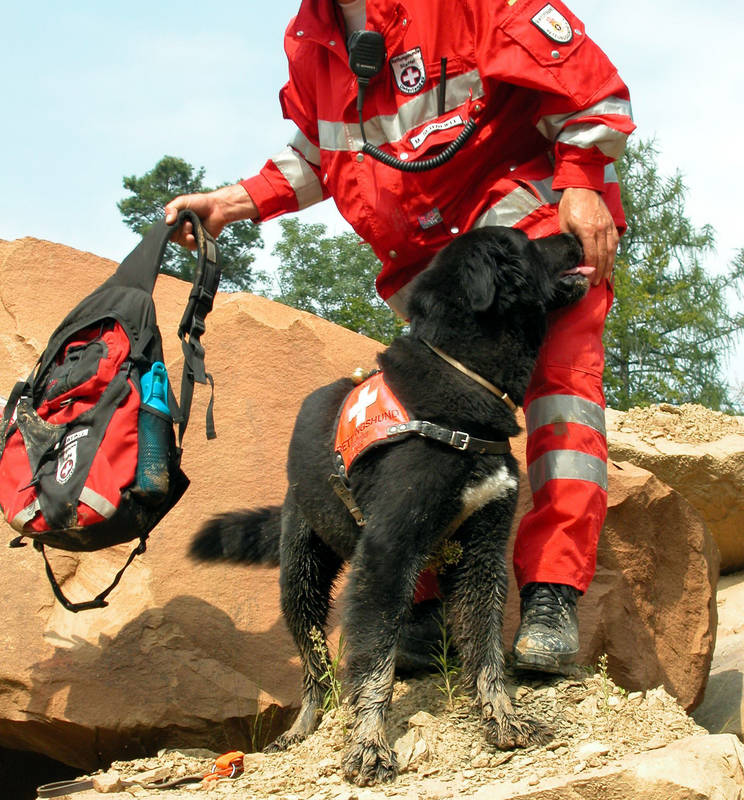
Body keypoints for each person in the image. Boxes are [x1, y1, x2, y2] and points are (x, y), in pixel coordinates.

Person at [165, 0, 635, 674]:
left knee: (561, 392)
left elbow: (591, 92)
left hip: (526, 237)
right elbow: (316, 155)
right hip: (435, 271)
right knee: (416, 424)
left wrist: (585, 182)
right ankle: (426, 613)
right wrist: (230, 204)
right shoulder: (312, 41)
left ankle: (550, 598)